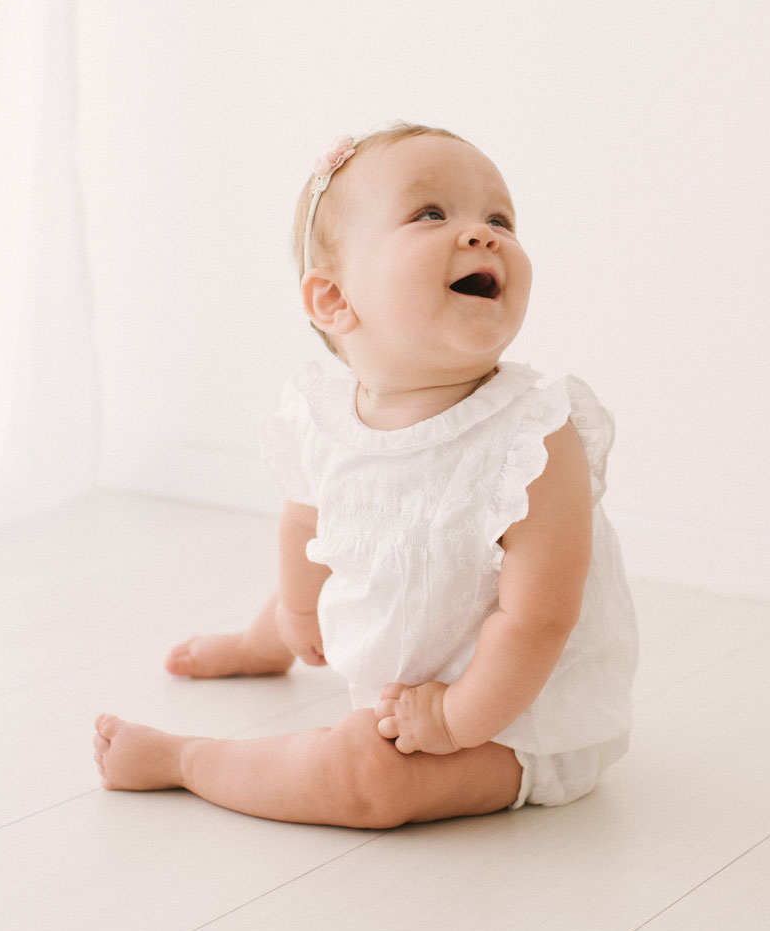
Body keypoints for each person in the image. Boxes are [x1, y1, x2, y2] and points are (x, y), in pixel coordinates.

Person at [92, 124, 636, 827]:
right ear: (334, 301)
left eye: (499, 218)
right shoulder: (325, 415)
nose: (482, 234)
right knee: (348, 553)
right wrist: (294, 613)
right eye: (431, 214)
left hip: (514, 715)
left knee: (366, 775)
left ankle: (187, 761)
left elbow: (540, 619)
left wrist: (452, 716)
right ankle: (267, 641)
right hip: (412, 637)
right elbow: (308, 521)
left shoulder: (532, 440)